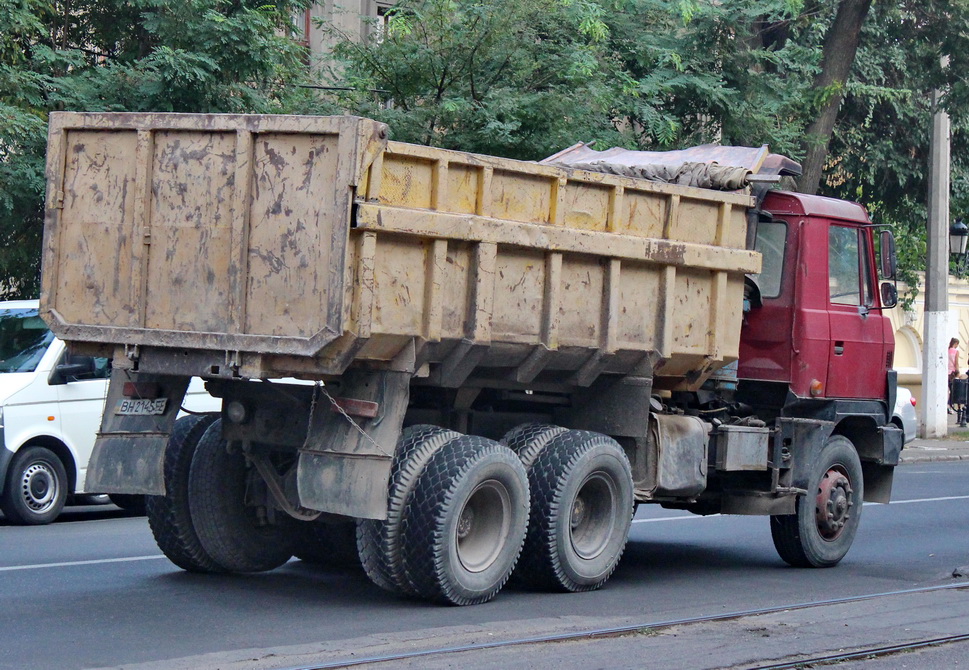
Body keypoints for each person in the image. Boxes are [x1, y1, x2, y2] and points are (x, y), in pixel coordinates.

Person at [949, 338, 960, 413]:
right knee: (953, 390)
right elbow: (956, 362)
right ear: (955, 343)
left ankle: (947, 406)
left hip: (946, 372)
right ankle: (951, 406)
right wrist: (958, 372)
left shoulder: (947, 350)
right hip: (953, 373)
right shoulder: (956, 351)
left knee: (947, 390)